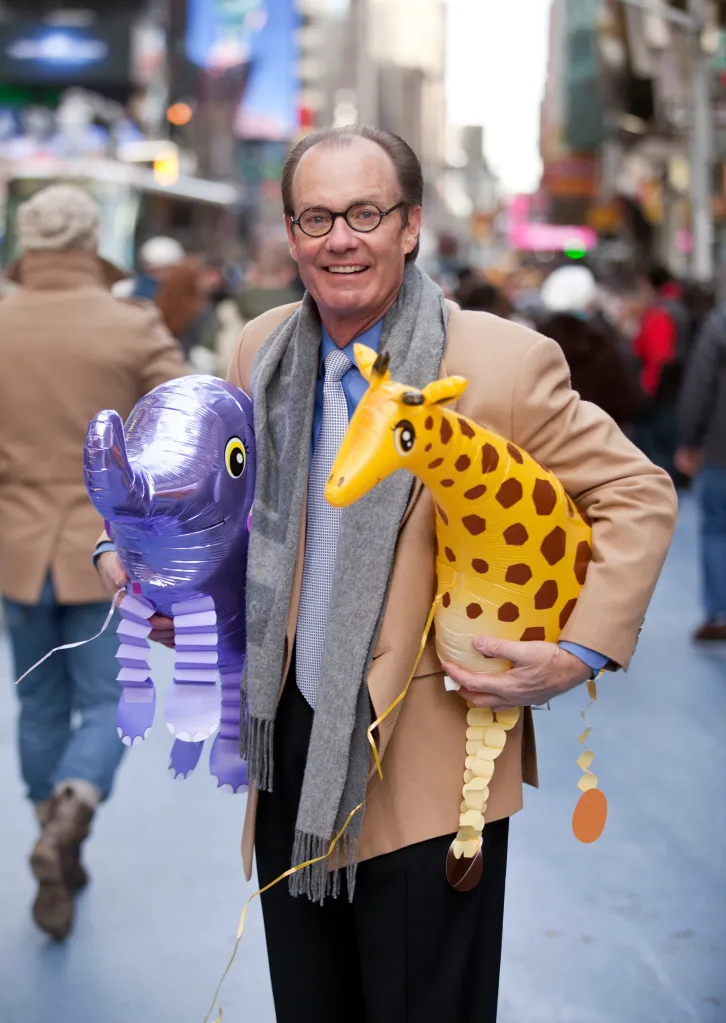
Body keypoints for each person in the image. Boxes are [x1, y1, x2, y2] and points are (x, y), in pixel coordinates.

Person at [96, 127, 676, 1022]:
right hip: (289, 739)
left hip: (433, 752)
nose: (341, 238)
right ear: (290, 235)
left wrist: (579, 650)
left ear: (410, 226)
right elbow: (226, 494)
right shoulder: (262, 350)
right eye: (317, 216)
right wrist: (146, 571)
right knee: (312, 1002)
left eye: (365, 213)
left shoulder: (499, 363)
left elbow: (636, 490)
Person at [0, 185, 187, 941]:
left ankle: (52, 820)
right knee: (110, 697)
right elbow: (185, 423)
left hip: (13, 544)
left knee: (38, 700)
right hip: (107, 549)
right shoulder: (131, 325)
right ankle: (76, 805)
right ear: (91, 244)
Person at [676, 304, 726, 641]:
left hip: (722, 446)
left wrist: (690, 439)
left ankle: (720, 613)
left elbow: (701, 383)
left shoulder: (720, 322)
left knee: (716, 528)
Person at [538, 265, 639, 429]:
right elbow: (625, 402)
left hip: (544, 440)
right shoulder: (602, 343)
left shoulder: (534, 343)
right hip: (596, 436)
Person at [633, 264, 691, 479]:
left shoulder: (660, 312)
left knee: (657, 457)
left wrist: (646, 394)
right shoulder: (677, 306)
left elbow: (659, 357)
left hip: (658, 398)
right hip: (673, 393)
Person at [130, 235, 185, 301]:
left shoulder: (186, 292)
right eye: (155, 272)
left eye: (167, 270)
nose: (161, 276)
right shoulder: (131, 289)